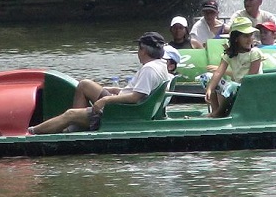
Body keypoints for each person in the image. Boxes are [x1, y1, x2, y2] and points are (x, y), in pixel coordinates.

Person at [29, 32, 173, 134]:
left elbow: (136, 97)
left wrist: (106, 99)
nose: (137, 52)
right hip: (126, 105)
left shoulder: (149, 69)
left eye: (139, 48)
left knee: (70, 113)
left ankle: (32, 131)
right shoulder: (160, 64)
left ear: (143, 50)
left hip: (121, 111)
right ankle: (77, 126)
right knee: (84, 84)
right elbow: (137, 91)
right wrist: (115, 90)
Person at [204, 16, 264, 117]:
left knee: (231, 87)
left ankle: (220, 112)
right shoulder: (230, 54)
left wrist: (235, 86)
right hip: (236, 87)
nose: (249, 39)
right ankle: (215, 109)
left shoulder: (255, 53)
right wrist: (210, 88)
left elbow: (251, 78)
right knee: (207, 77)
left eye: (251, 35)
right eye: (245, 36)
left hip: (251, 87)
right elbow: (219, 72)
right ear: (236, 38)